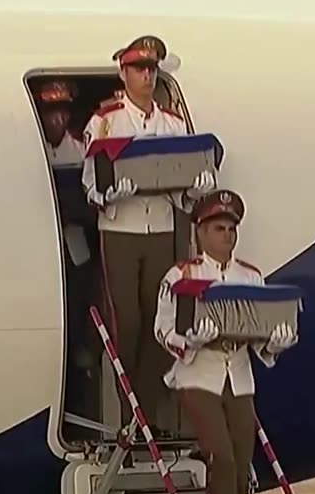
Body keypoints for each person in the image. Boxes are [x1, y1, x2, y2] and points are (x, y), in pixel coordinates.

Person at [153, 189, 297, 494]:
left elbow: (259, 332)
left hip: (238, 374)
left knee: (239, 468)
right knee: (221, 457)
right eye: (219, 228)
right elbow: (162, 328)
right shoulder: (181, 276)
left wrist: (274, 343)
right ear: (199, 232)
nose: (228, 236)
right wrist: (190, 340)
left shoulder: (250, 277)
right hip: (198, 373)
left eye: (232, 228)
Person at [83, 34, 216, 434]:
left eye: (152, 68)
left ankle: (147, 414)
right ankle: (127, 415)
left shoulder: (171, 124)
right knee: (128, 321)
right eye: (139, 68)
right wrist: (107, 192)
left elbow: (183, 181)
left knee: (161, 322)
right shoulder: (105, 120)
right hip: (120, 227)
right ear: (123, 72)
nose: (146, 75)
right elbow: (90, 184)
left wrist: (195, 187)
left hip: (159, 225)